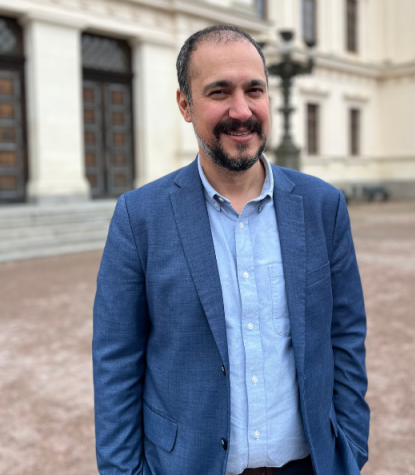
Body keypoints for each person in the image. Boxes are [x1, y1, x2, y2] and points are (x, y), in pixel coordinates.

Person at [92, 25, 369, 475]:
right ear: (185, 104)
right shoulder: (138, 217)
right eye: (219, 92)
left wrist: (352, 446)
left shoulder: (323, 206)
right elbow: (116, 362)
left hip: (310, 464)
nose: (241, 111)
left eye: (254, 90)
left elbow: (345, 335)